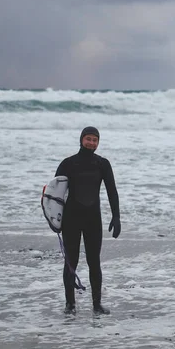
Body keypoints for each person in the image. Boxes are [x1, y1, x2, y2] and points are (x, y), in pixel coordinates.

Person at [55, 126, 121, 315]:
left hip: (93, 219)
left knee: (94, 262)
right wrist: (54, 220)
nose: (91, 142)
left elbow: (112, 191)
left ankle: (97, 304)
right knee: (71, 261)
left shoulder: (102, 164)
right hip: (71, 219)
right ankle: (70, 304)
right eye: (88, 139)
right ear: (82, 139)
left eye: (95, 140)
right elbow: (55, 193)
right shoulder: (68, 163)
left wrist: (116, 216)